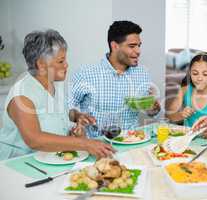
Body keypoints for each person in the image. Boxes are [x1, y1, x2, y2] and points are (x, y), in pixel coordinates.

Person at [0, 29, 115, 160]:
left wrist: (76, 116)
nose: (66, 65)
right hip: (18, 164)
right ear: (42, 65)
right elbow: (34, 139)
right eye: (61, 61)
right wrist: (85, 144)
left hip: (53, 158)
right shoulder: (21, 96)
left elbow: (55, 111)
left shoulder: (52, 84)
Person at [69, 20, 160, 137]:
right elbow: (67, 109)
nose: (138, 51)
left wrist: (153, 109)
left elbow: (150, 111)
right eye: (132, 46)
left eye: (139, 46)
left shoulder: (143, 73)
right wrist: (77, 115)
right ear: (115, 46)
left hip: (133, 141)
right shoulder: (85, 73)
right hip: (97, 144)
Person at [166, 52, 207, 127]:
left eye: (205, 74)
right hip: (187, 137)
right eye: (195, 73)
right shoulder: (184, 90)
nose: (199, 78)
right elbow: (170, 116)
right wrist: (181, 115)